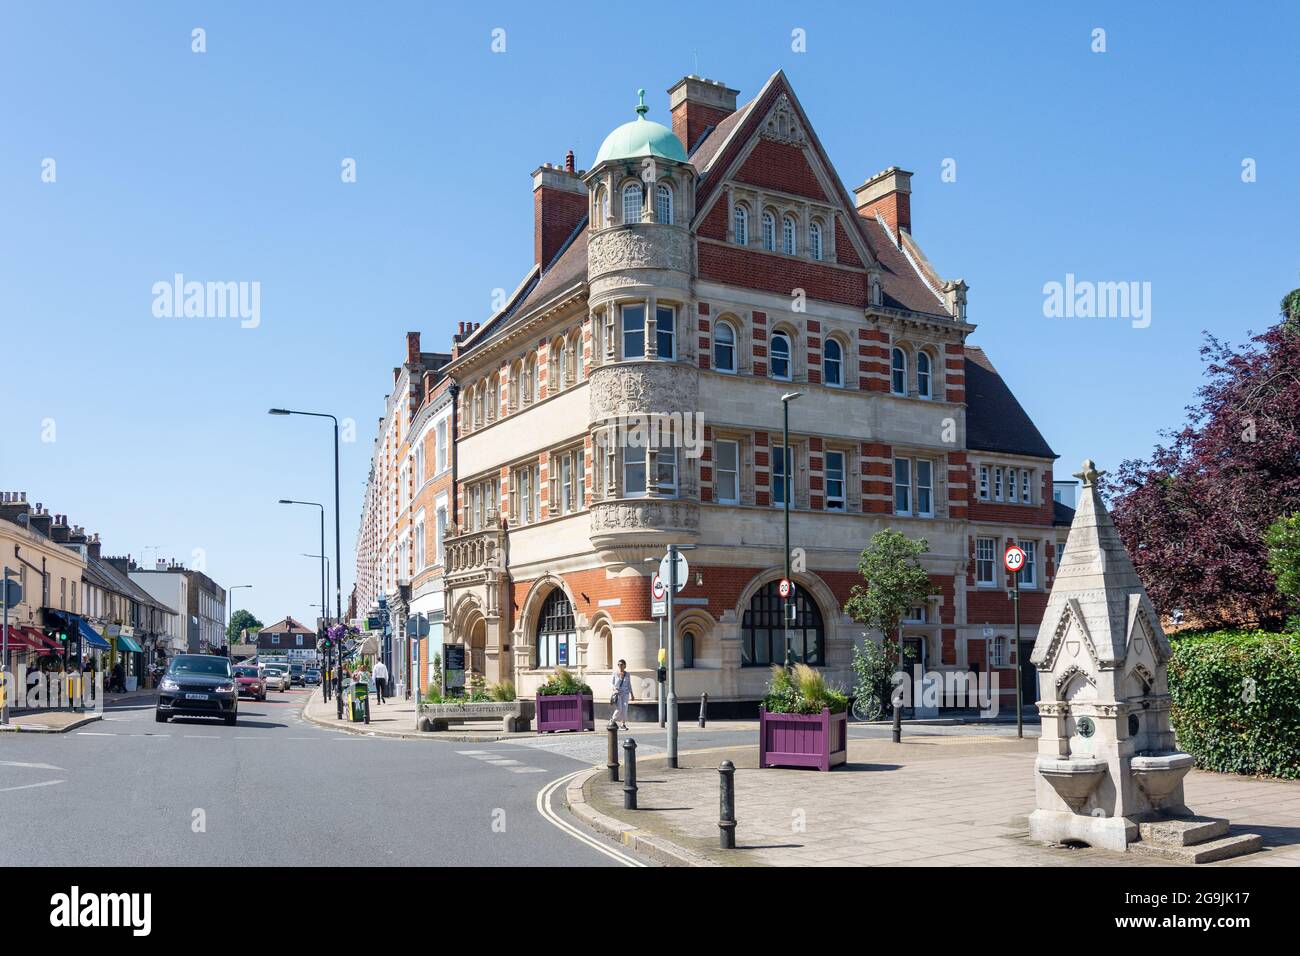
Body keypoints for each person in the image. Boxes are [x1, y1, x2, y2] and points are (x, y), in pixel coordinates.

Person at [610, 659, 634, 730]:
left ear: (625, 665)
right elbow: (612, 684)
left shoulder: (627, 674)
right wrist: (615, 689)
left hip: (625, 693)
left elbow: (629, 685)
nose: (620, 666)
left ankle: (623, 724)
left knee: (625, 708)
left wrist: (632, 694)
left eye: (621, 664)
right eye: (618, 664)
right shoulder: (615, 673)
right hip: (618, 694)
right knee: (619, 709)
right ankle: (612, 720)